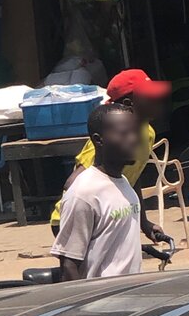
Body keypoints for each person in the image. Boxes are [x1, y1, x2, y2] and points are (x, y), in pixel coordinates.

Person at [49, 69, 170, 242]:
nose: (157, 101)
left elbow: (131, 179)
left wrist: (143, 223)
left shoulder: (148, 133)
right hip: (76, 219)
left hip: (108, 217)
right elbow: (72, 183)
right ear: (130, 104)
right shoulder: (107, 139)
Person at [51, 104, 146, 280]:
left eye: (134, 132)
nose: (133, 139)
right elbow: (69, 264)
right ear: (99, 140)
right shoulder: (84, 193)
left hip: (131, 296)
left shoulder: (123, 183)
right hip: (104, 302)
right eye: (124, 133)